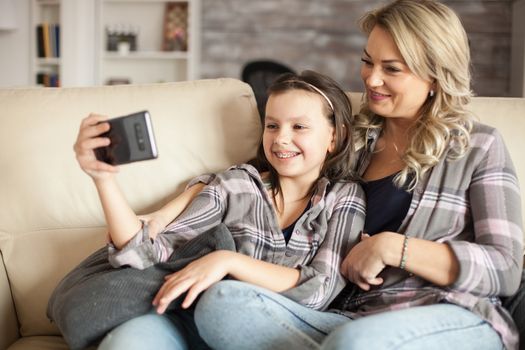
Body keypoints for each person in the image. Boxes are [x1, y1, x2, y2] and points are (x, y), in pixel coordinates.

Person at [182, 1, 523, 349]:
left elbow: (506, 268)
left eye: (391, 69)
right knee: (224, 304)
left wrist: (394, 248)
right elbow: (267, 175)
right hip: (347, 318)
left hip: (449, 314)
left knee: (355, 343)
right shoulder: (352, 141)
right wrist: (186, 198)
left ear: (435, 75)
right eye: (367, 61)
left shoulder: (478, 146)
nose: (372, 79)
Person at [73, 70, 367, 349]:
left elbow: (318, 292)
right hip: (192, 321)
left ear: (335, 136)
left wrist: (228, 262)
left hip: (277, 323)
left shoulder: (344, 197)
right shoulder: (234, 186)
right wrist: (103, 179)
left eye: (299, 126)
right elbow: (142, 253)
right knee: (130, 340)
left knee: (223, 300)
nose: (281, 139)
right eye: (272, 125)